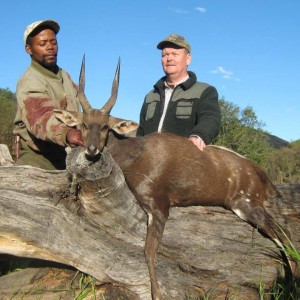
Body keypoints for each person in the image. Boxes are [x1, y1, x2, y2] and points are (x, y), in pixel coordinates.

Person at [13, 20, 83, 170]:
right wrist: (67, 133)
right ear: (29, 49)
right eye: (43, 43)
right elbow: (41, 117)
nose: (50, 47)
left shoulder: (65, 76)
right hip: (38, 161)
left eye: (53, 42)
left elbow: (80, 112)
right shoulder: (29, 80)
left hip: (67, 156)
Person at [137, 34, 221, 150]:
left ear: (188, 59)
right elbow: (141, 132)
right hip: (149, 161)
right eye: (165, 55)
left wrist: (198, 136)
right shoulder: (150, 96)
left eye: (175, 54)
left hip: (182, 161)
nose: (169, 58)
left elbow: (211, 119)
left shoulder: (205, 91)